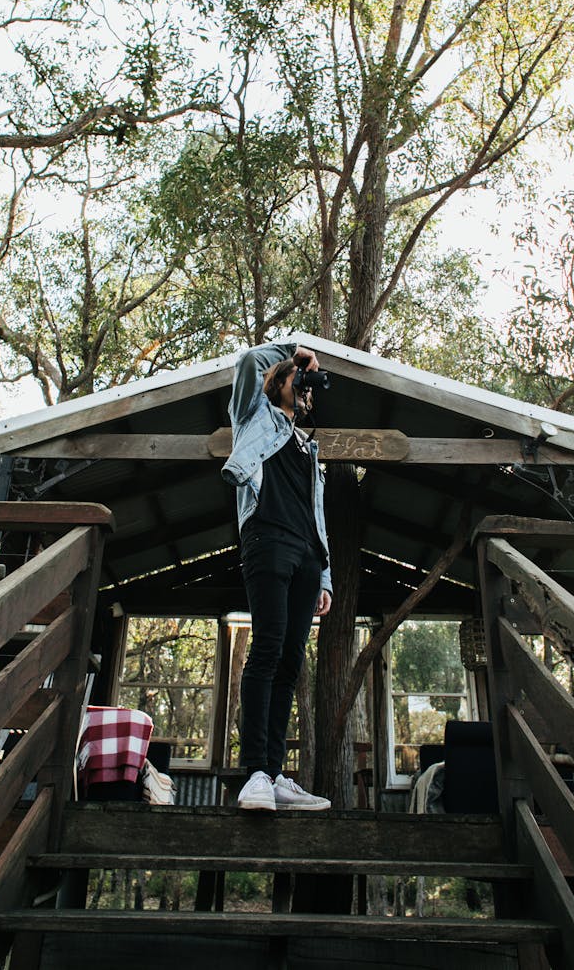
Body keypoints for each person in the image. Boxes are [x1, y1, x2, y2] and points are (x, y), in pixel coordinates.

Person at [221, 341, 333, 812]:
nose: (305, 390)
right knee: (267, 648)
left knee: (291, 661)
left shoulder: (307, 445)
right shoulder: (255, 417)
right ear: (277, 384)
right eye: (298, 382)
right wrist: (293, 353)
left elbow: (318, 512)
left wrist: (325, 575)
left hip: (307, 553)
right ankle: (254, 774)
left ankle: (275, 770)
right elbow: (249, 363)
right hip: (267, 538)